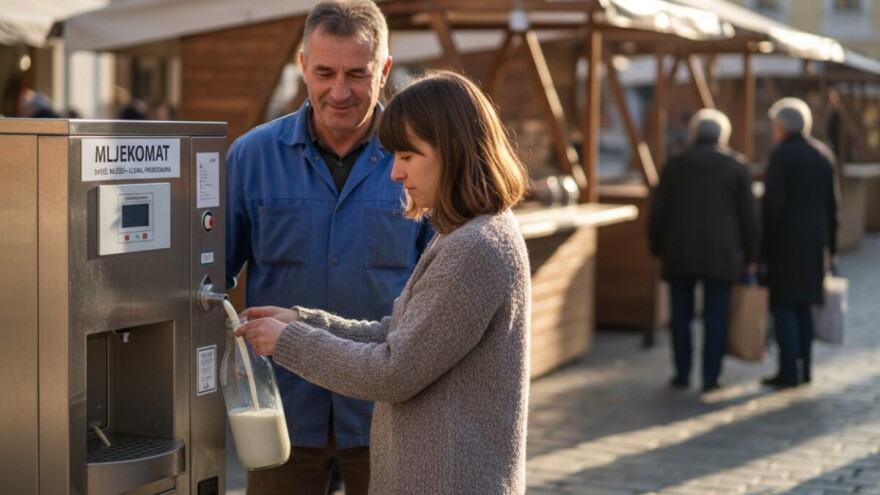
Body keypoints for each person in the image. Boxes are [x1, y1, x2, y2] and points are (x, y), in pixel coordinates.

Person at [236, 70, 531, 493]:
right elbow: (397, 333)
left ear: (453, 151)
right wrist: (303, 321)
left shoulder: (476, 246)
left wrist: (289, 342)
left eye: (408, 156)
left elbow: (395, 371)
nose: (395, 173)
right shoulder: (464, 233)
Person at [224, 1, 433, 493]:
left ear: (384, 70)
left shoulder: (423, 160)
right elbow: (210, 278)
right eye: (325, 73)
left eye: (357, 74)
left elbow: (436, 288)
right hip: (282, 412)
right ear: (303, 66)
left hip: (389, 416)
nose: (339, 92)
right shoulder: (251, 157)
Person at [648, 108, 760, 393]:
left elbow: (658, 212)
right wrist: (751, 256)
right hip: (721, 253)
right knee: (716, 316)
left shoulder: (675, 165)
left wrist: (657, 247)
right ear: (723, 135)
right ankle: (712, 376)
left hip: (680, 250)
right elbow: (749, 216)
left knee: (680, 316)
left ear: (694, 134)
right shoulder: (736, 167)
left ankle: (682, 372)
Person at [761, 97, 839, 389]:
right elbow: (834, 207)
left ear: (781, 127)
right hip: (815, 243)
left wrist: (763, 247)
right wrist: (832, 249)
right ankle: (805, 367)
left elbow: (773, 206)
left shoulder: (781, 156)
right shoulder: (823, 154)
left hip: (785, 244)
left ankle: (788, 370)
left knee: (784, 306)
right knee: (805, 306)